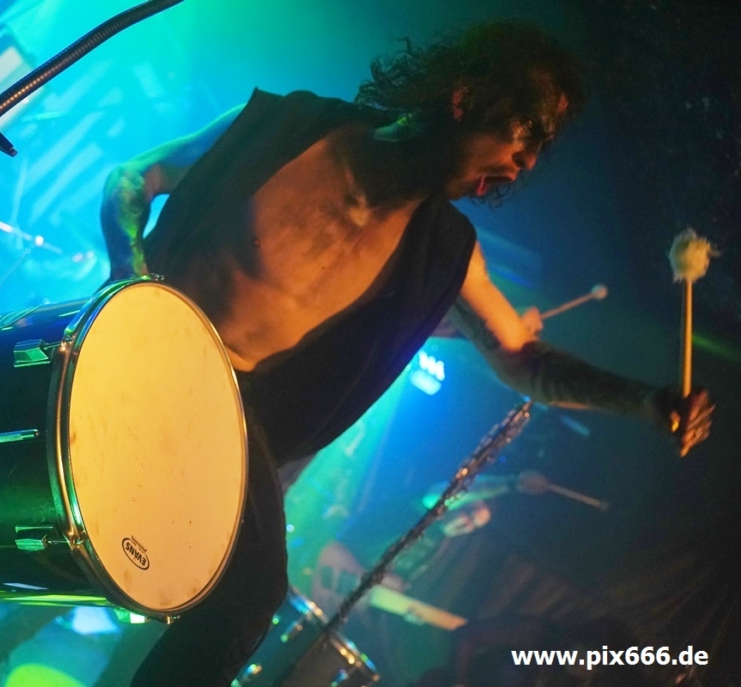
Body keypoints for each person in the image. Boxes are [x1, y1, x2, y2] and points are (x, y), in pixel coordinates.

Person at [96, 20, 713, 687]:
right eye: (529, 132)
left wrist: (646, 401)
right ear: (466, 97)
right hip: (130, 347)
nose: (528, 162)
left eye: (542, 148)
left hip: (230, 420)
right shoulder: (289, 123)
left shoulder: (445, 252)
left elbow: (525, 360)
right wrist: (130, 279)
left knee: (246, 597)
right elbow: (136, 176)